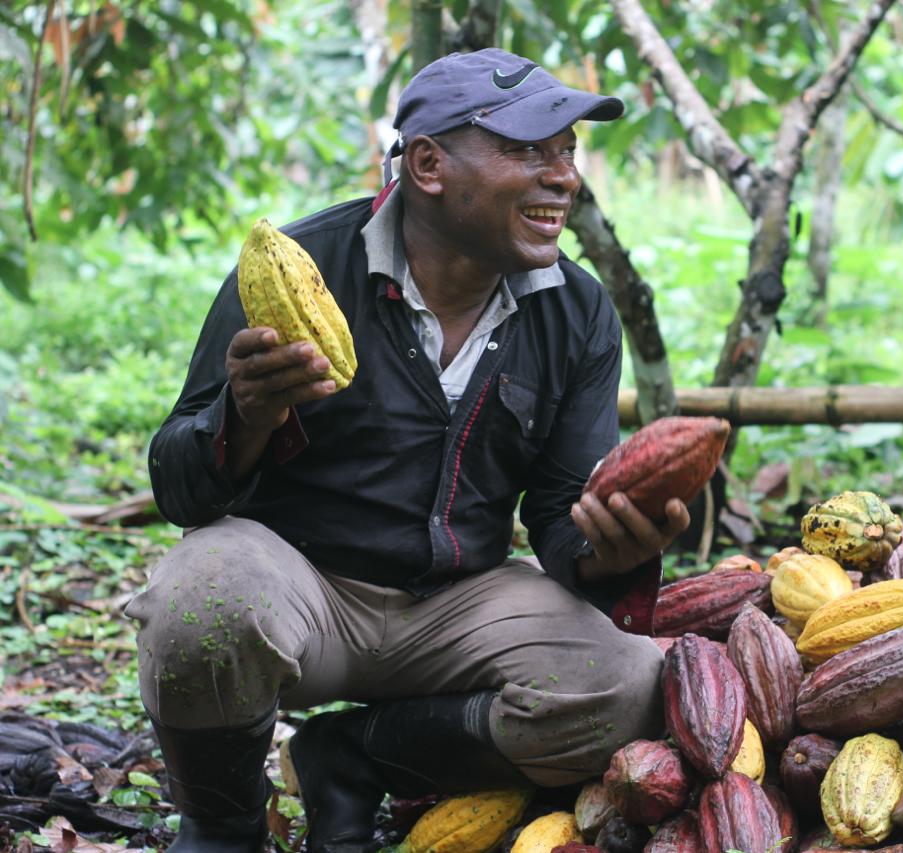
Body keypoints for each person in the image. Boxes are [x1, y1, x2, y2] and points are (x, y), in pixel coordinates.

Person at [127, 48, 689, 853]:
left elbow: (564, 526)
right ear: (428, 163)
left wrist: (612, 546)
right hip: (304, 591)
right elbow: (179, 488)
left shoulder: (577, 311)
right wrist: (245, 413)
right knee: (201, 600)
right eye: (529, 150)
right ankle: (223, 826)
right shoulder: (303, 266)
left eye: (567, 152)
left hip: (459, 603)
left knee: (627, 687)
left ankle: (353, 758)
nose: (562, 176)